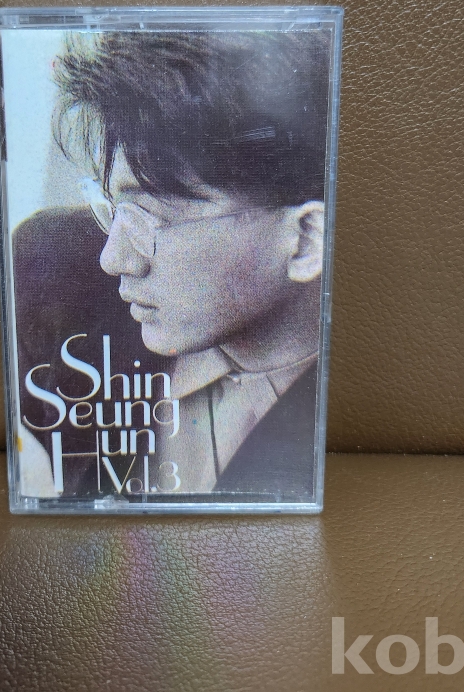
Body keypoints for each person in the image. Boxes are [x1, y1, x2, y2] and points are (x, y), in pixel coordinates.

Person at [42, 28, 331, 499]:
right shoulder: (49, 286)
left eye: (153, 215)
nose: (113, 259)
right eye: (113, 206)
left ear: (304, 240)